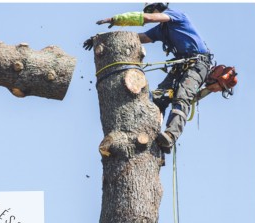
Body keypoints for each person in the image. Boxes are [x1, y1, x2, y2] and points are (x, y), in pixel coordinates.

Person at [85, 3, 212, 153]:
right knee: (157, 98)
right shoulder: (161, 29)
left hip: (198, 64)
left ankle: (170, 135)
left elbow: (148, 18)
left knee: (181, 97)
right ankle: (153, 137)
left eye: (152, 10)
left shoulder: (176, 15)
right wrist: (104, 39)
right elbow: (141, 37)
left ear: (159, 7)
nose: (152, 13)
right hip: (181, 65)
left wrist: (117, 19)